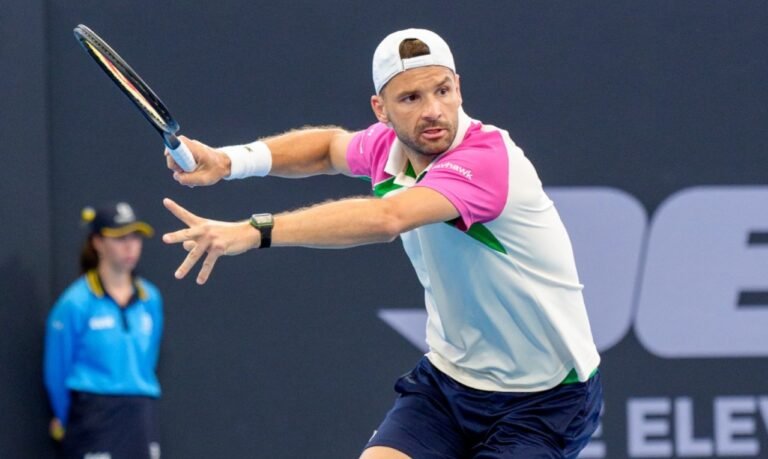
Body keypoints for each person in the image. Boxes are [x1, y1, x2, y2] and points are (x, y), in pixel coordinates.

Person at [162, 28, 602, 458]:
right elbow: (328, 148)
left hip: (546, 398)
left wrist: (251, 231)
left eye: (442, 91)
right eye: (411, 98)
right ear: (381, 109)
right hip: (449, 383)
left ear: (459, 89)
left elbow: (388, 218)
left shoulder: (486, 159)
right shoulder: (390, 147)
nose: (433, 111)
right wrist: (228, 160)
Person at [44, 201, 163, 459]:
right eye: (120, 237)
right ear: (97, 242)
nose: (130, 245)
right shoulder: (75, 303)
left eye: (135, 236)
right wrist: (69, 419)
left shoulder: (150, 299)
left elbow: (149, 358)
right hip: (93, 418)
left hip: (140, 416)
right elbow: (57, 371)